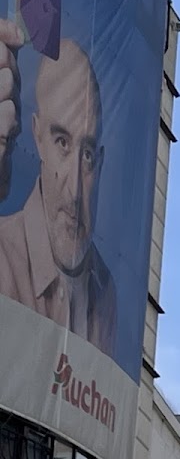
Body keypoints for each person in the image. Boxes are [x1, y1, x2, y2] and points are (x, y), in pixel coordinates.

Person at [0, 31, 116, 357]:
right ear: (37, 136)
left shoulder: (106, 294)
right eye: (62, 142)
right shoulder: (3, 259)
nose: (75, 189)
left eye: (88, 154)